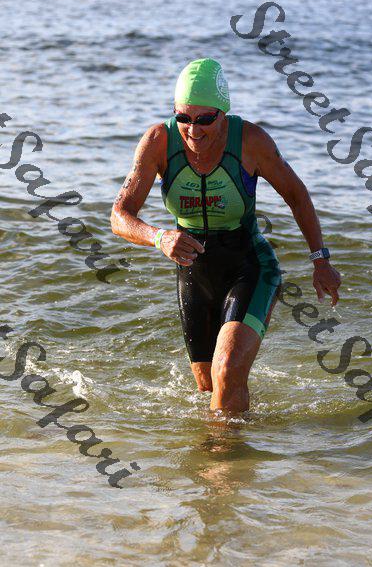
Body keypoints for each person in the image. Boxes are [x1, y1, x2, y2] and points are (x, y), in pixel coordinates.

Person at [110, 58, 341, 414]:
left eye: (205, 119)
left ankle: (224, 449)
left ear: (223, 113)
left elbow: (297, 195)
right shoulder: (158, 141)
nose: (193, 130)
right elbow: (119, 216)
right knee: (209, 389)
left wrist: (320, 260)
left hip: (249, 266)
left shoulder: (250, 141)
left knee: (227, 370)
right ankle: (242, 441)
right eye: (183, 117)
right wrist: (159, 237)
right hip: (194, 273)